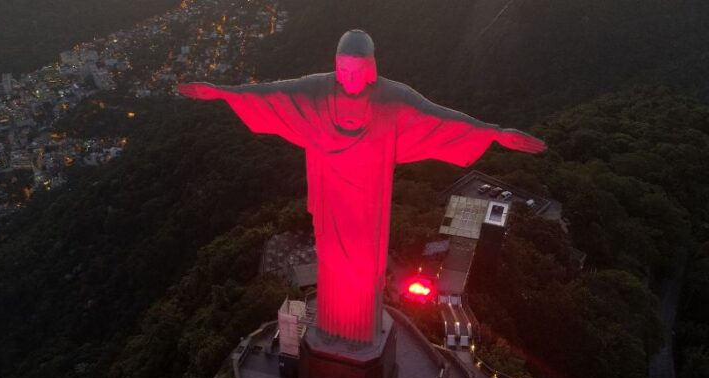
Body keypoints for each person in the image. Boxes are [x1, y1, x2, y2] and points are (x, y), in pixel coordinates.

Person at [179, 30, 545, 342]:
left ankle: (357, 328)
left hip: (367, 203)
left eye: (357, 71)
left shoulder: (391, 100)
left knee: (363, 269)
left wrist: (494, 134)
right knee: (332, 265)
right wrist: (222, 92)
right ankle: (332, 326)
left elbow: (439, 119)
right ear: (336, 66)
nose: (350, 78)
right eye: (343, 70)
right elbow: (272, 94)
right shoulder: (318, 93)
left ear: (370, 69)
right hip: (331, 200)